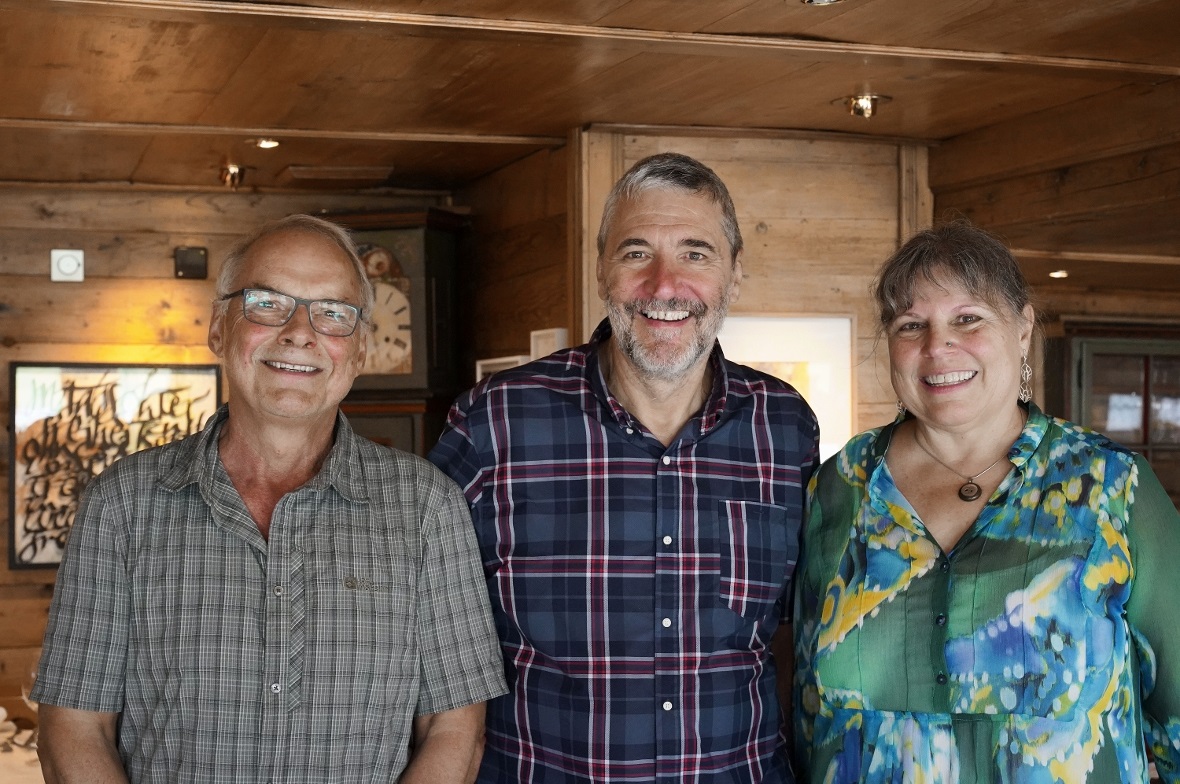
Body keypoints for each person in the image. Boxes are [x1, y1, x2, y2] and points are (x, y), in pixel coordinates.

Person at [32, 214, 507, 784]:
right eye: (267, 303)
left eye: (333, 312)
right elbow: (73, 730)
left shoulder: (429, 509)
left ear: (358, 351)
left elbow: (455, 732)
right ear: (218, 329)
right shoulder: (121, 505)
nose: (300, 332)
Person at [429, 152, 820, 783]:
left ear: (735, 273)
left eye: (695, 253)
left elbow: (789, 638)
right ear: (601, 269)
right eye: (637, 253)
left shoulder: (785, 426)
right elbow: (427, 640)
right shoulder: (493, 422)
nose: (664, 286)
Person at [792, 221, 1180, 783]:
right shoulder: (838, 487)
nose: (937, 346)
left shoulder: (1113, 485)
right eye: (911, 325)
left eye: (968, 319)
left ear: (1022, 329)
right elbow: (805, 701)